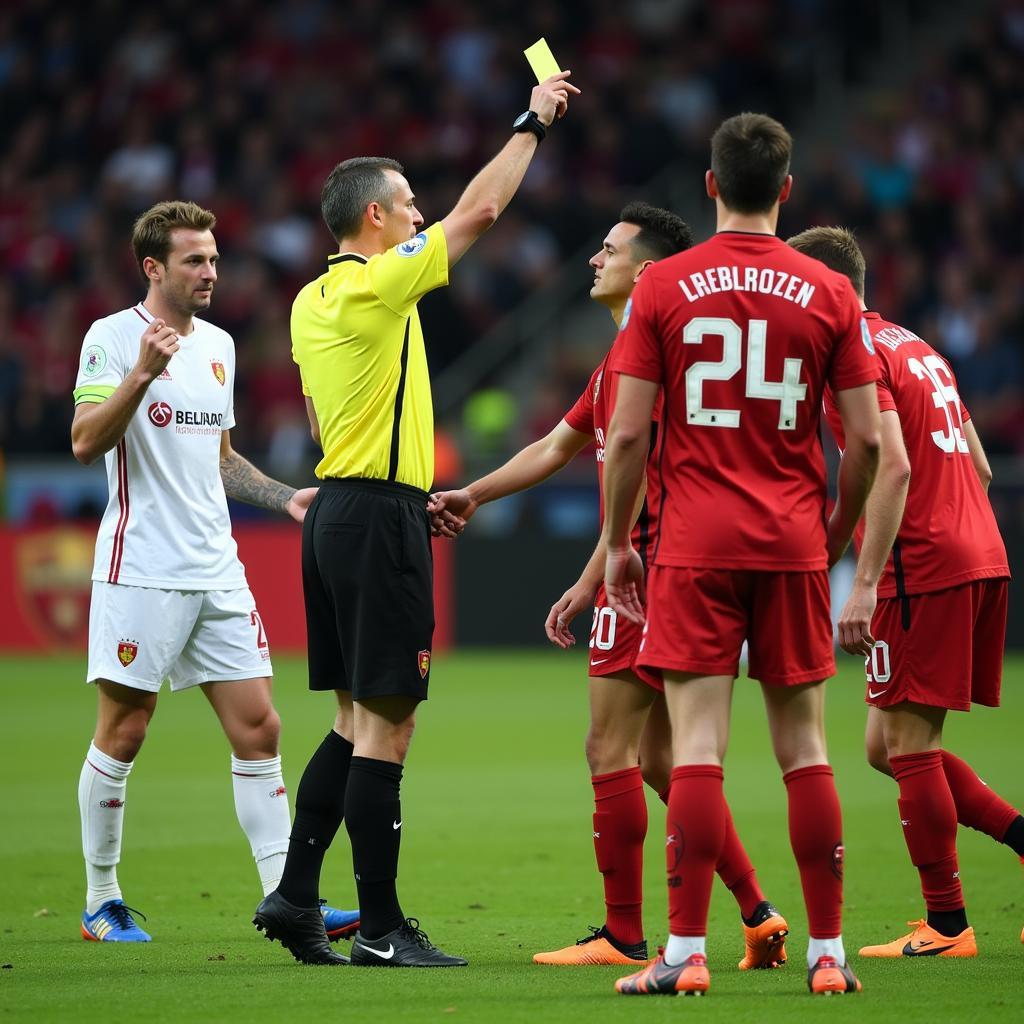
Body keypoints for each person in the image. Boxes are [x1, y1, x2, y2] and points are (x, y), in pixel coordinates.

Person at [252, 71, 581, 968]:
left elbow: (326, 422)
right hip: (374, 516)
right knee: (389, 724)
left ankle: (292, 895)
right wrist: (531, 125)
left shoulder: (307, 302)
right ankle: (385, 930)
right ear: (374, 223)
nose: (419, 214)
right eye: (406, 206)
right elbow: (477, 215)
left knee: (357, 718)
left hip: (339, 509)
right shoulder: (374, 289)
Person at [428, 203, 788, 970]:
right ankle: (757, 912)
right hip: (660, 562)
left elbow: (648, 479)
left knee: (610, 747)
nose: (594, 260)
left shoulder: (647, 350)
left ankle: (625, 934)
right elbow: (560, 444)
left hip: (657, 570)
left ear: (648, 271)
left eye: (610, 249)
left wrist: (604, 567)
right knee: (662, 759)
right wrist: (474, 495)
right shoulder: (629, 352)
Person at [599, 113, 882, 997]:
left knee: (695, 750)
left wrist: (616, 544)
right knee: (806, 750)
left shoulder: (664, 286)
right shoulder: (831, 290)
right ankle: (828, 955)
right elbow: (869, 445)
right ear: (786, 190)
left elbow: (628, 434)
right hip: (793, 543)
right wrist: (829, 543)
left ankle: (684, 955)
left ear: (712, 185)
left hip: (691, 545)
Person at [71, 200, 356, 943]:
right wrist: (139, 375)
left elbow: (221, 459)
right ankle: (101, 901)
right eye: (195, 260)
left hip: (217, 568)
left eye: (215, 258)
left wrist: (281, 495)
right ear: (154, 267)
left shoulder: (222, 346)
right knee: (125, 729)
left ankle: (288, 897)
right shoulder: (111, 338)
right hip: (142, 567)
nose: (211, 271)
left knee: (261, 728)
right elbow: (82, 441)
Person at [789, 225, 1023, 957]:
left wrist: (860, 583)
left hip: (921, 566)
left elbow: (891, 469)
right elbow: (980, 469)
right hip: (978, 549)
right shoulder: (916, 345)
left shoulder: (849, 358)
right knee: (885, 745)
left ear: (825, 287)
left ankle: (947, 923)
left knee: (910, 745)